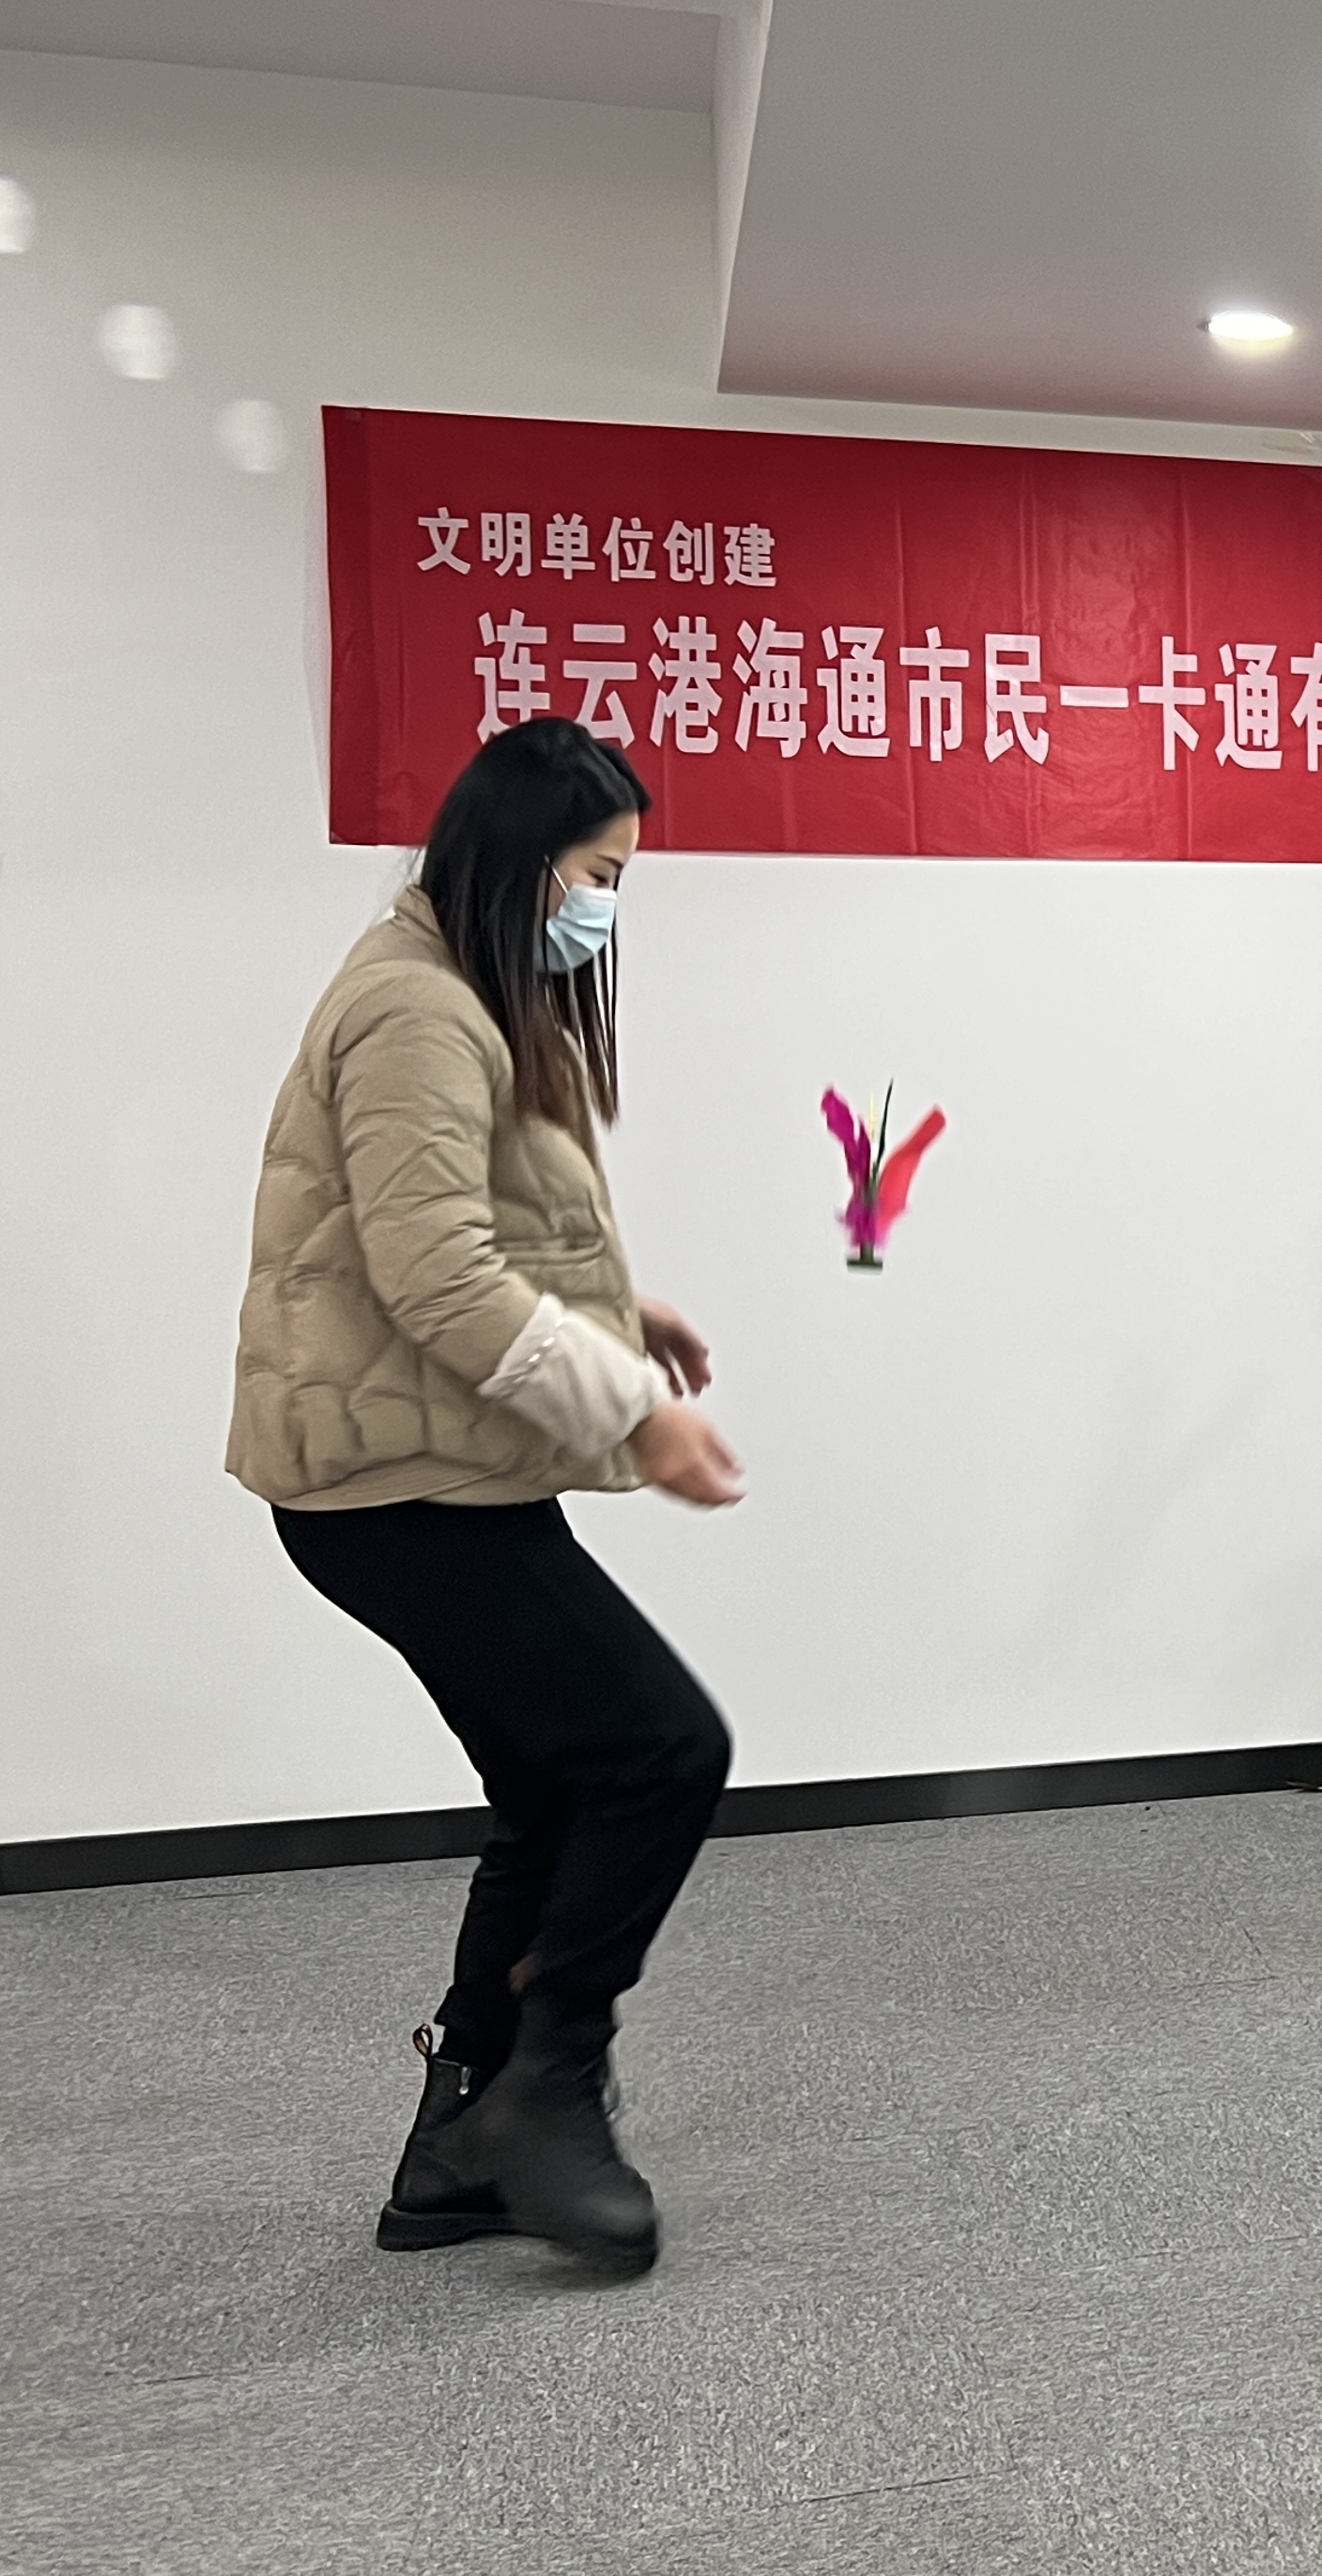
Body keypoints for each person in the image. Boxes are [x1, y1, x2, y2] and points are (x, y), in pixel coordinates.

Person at [229, 718, 749, 2277]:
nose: (607, 906)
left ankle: (455, 2145)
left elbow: (457, 1222)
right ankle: (547, 2088)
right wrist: (638, 1415)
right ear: (523, 860)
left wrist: (619, 1310)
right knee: (661, 1748)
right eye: (598, 873)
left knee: (558, 1781)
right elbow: (439, 1275)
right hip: (393, 1488)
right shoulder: (415, 1006)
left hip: (427, 1466)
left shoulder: (453, 982)